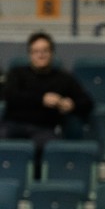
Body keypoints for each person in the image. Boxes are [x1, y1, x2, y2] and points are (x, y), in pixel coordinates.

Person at [0, 31, 94, 173]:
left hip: (44, 128)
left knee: (53, 149)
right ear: (30, 54)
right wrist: (42, 99)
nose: (41, 55)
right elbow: (10, 95)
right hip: (13, 125)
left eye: (45, 51)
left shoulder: (63, 78)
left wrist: (71, 105)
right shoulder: (17, 73)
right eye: (36, 51)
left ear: (51, 53)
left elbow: (87, 102)